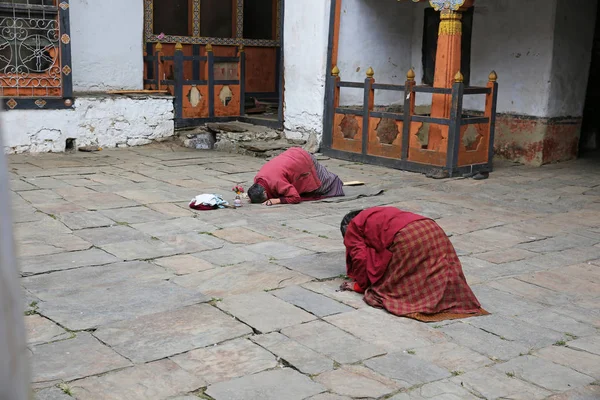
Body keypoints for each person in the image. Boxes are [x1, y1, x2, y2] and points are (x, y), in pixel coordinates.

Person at [339, 206, 488, 322]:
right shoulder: (379, 214)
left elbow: (360, 258)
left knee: (394, 282)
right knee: (436, 268)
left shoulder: (353, 226)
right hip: (431, 227)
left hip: (407, 236)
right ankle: (451, 299)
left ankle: (424, 303)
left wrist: (359, 285)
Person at [248, 147, 344, 205]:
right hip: (293, 153)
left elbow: (295, 197)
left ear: (265, 192)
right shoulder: (258, 178)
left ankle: (337, 183)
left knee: (322, 184)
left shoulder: (277, 181)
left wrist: (277, 200)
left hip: (303, 159)